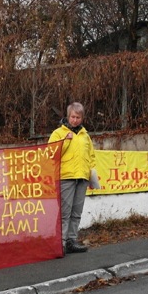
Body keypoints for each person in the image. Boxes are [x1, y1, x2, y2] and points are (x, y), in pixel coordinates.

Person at [49, 102, 96, 254]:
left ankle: (71, 240)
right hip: (66, 177)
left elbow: (91, 156)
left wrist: (92, 175)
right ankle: (60, 243)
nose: (75, 120)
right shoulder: (58, 133)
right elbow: (51, 154)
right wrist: (65, 142)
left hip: (82, 177)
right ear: (67, 116)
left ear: (82, 118)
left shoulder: (85, 135)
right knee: (65, 212)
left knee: (77, 212)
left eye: (78, 117)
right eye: (72, 117)